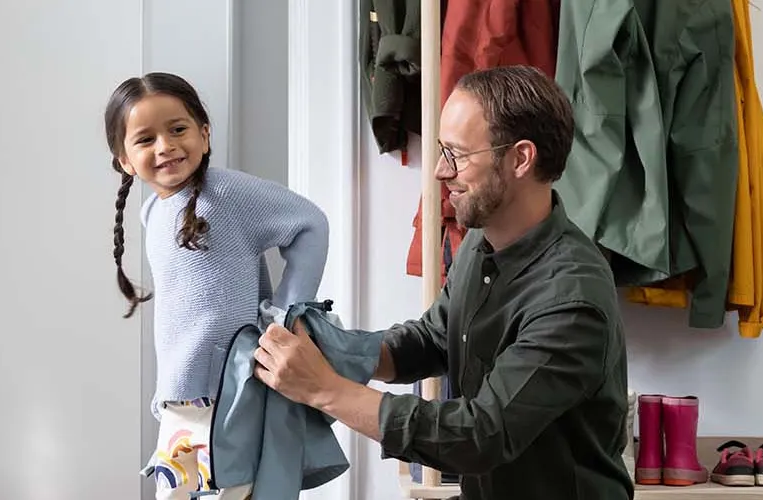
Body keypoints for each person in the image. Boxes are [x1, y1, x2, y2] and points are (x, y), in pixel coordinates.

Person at [251, 65, 633, 499]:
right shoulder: (480, 242)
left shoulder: (571, 300)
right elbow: (435, 338)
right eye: (440, 150)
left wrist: (325, 388)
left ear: (521, 158)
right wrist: (336, 347)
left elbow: (480, 436)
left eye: (457, 154)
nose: (438, 171)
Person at [102, 72, 331, 500]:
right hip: (181, 401)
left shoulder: (227, 194)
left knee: (232, 491)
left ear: (204, 135)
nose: (166, 146)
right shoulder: (153, 211)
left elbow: (310, 223)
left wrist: (287, 313)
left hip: (230, 395)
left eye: (178, 130)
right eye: (146, 139)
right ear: (124, 160)